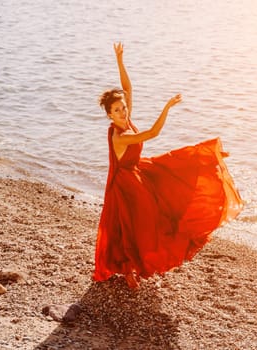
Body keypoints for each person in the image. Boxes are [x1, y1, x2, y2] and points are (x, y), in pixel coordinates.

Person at [93, 42, 243, 289]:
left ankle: (205, 162)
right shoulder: (120, 136)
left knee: (175, 173)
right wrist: (166, 108)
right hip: (124, 184)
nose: (124, 111)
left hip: (137, 173)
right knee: (129, 226)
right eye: (118, 110)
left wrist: (119, 60)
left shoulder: (126, 119)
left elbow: (127, 88)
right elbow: (152, 133)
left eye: (124, 107)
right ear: (109, 115)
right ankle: (128, 269)